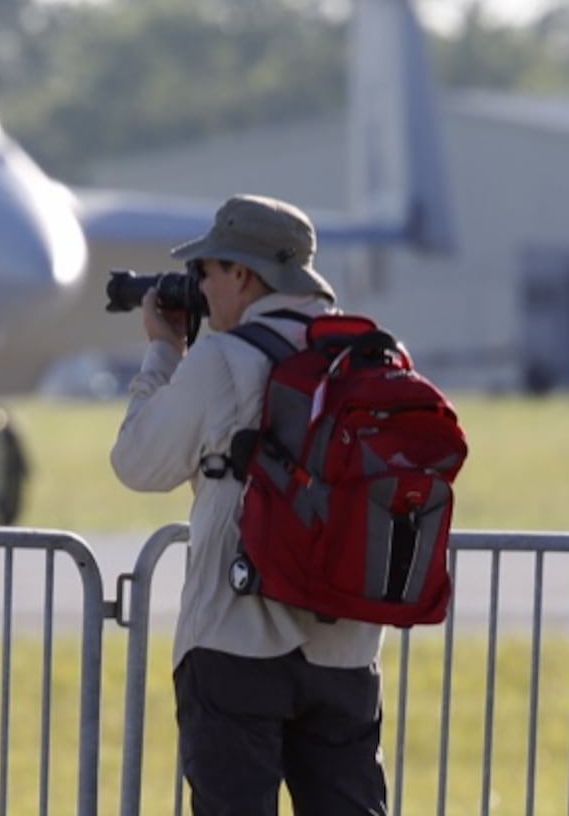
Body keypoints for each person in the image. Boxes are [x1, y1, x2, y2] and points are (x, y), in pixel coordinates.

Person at [110, 194, 387, 815]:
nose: (200, 287)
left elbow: (137, 460)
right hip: (345, 648)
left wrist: (163, 352)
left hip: (235, 640)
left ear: (243, 274)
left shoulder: (222, 359)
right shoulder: (366, 358)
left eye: (207, 271)